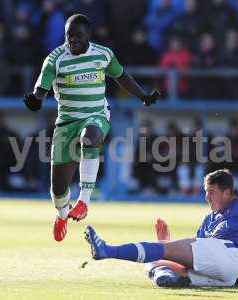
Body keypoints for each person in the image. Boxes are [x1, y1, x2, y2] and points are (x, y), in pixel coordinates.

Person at [23, 14, 160, 242]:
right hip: (66, 122)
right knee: (58, 189)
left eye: (79, 37)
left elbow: (121, 76)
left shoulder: (103, 54)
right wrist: (36, 100)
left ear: (88, 36)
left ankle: (84, 201)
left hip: (96, 115)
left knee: (91, 137)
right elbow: (41, 89)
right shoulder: (55, 59)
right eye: (70, 36)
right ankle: (62, 214)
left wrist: (143, 96)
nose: (73, 41)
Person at [85, 156, 238, 287]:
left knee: (164, 249)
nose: (207, 198)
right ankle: (171, 280)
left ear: (228, 192)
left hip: (233, 258)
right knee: (154, 263)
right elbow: (193, 254)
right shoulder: (208, 220)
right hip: (222, 277)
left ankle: (107, 250)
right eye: (206, 193)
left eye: (211, 192)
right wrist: (168, 244)